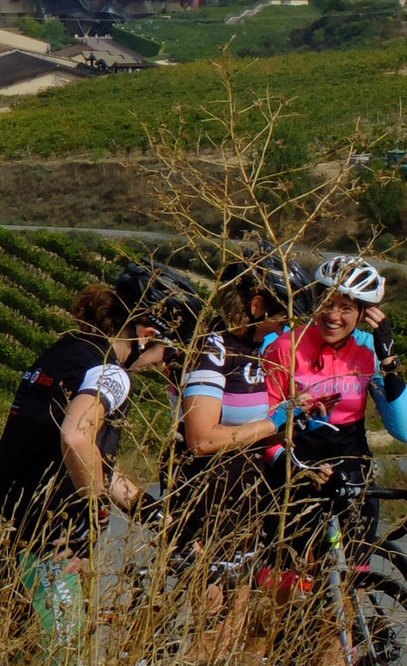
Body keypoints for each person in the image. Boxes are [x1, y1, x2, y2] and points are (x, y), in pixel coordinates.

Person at [0, 260, 202, 665]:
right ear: (147, 336)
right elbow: (76, 437)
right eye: (168, 351)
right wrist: (90, 521)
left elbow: (90, 462)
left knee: (22, 652)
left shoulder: (68, 350)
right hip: (42, 547)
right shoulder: (112, 371)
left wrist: (155, 516)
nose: (165, 364)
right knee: (65, 655)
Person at [163, 248, 314, 660]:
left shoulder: (255, 350)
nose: (285, 327)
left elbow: (250, 434)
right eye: (282, 315)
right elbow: (202, 438)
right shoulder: (212, 348)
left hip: (243, 500)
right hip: (204, 503)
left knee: (238, 629)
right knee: (211, 637)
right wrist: (276, 421)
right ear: (256, 304)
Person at [263, 255, 407, 566]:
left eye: (346, 308)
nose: (333, 316)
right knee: (290, 580)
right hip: (296, 467)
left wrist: (388, 360)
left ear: (363, 313)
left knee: (354, 580)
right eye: (327, 303)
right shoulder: (286, 347)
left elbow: (403, 429)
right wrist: (297, 468)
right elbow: (265, 426)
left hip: (352, 471)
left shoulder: (368, 349)